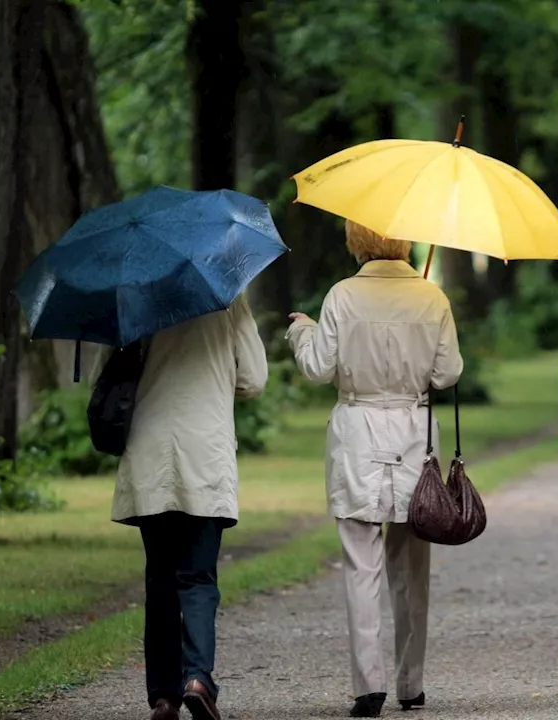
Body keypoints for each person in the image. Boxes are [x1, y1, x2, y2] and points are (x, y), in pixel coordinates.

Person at [286, 221, 463, 718]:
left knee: (361, 564)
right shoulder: (432, 297)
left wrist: (303, 332)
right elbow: (448, 374)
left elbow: (319, 368)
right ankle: (412, 682)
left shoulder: (343, 295)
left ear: (356, 241)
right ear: (403, 242)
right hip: (414, 435)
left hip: (358, 432)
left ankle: (369, 685)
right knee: (411, 567)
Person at [111, 295, 268, 720]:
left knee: (160, 577)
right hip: (205, 451)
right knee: (198, 576)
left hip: (151, 449)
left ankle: (164, 695)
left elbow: (104, 376)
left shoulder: (136, 294)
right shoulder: (227, 297)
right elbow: (254, 379)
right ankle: (198, 678)